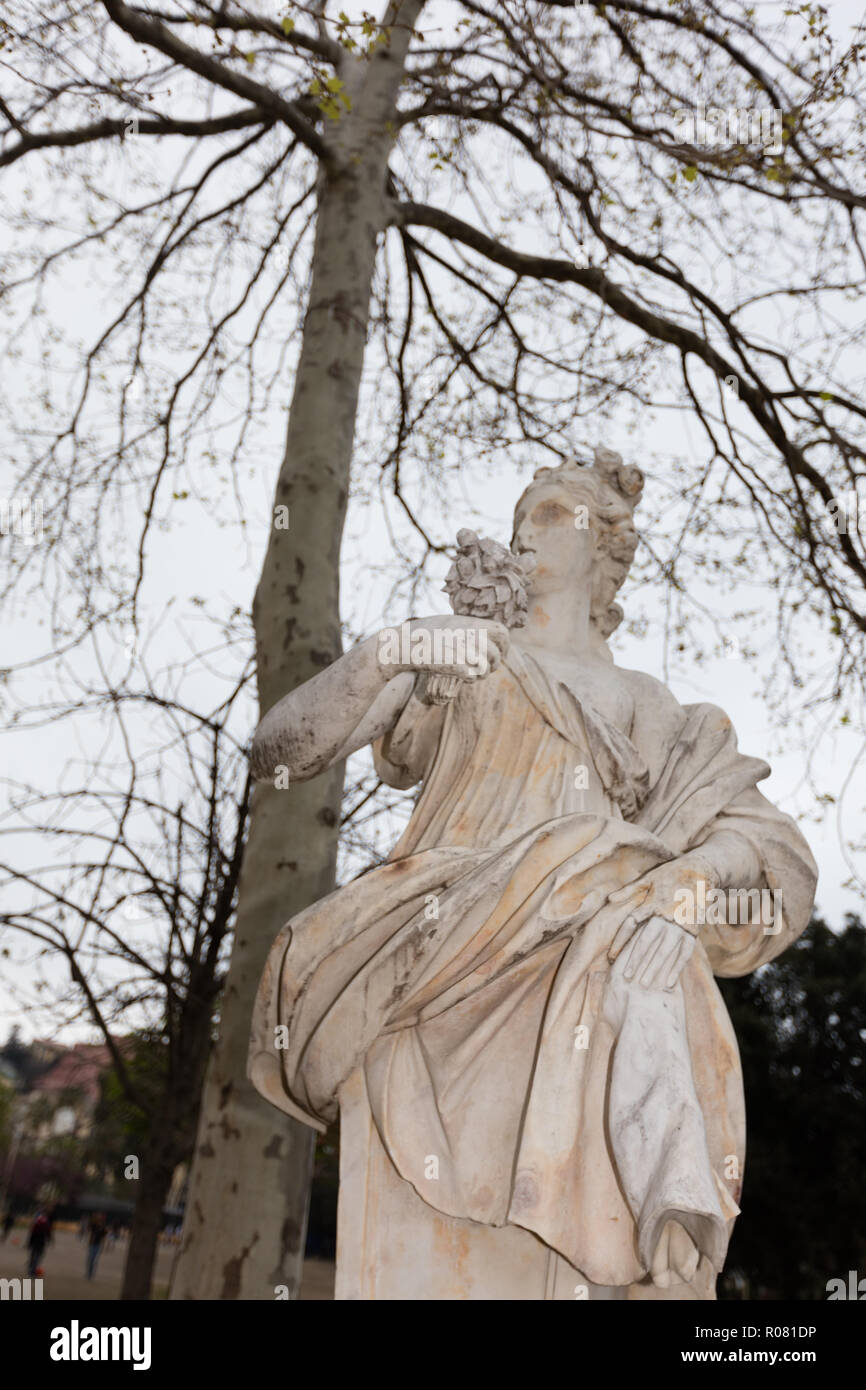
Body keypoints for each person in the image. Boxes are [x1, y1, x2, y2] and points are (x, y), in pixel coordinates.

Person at [247, 448, 818, 1301]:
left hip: (590, 968)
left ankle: (668, 1199)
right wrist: (390, 650)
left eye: (552, 513)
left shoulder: (657, 710)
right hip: (438, 960)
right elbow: (279, 753)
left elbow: (770, 853)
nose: (524, 531)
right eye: (522, 516)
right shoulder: (462, 659)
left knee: (641, 946)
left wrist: (679, 890)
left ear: (608, 547)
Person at [26, 1208, 51, 1278]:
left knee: (33, 1256)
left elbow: (32, 1233)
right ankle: (33, 1271)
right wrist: (49, 1239)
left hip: (35, 1241)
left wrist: (29, 1242)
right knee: (38, 1257)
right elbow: (48, 1233)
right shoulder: (46, 1222)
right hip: (41, 1242)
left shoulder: (36, 1222)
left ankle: (31, 1269)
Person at [85, 1211, 107, 1280]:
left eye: (100, 1216)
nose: (99, 1217)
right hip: (91, 1244)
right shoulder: (93, 1225)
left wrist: (103, 1245)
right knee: (90, 1259)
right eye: (98, 1216)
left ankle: (91, 1274)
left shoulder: (103, 1227)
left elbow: (104, 1237)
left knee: (93, 1259)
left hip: (97, 1245)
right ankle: (89, 1273)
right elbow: (88, 1229)